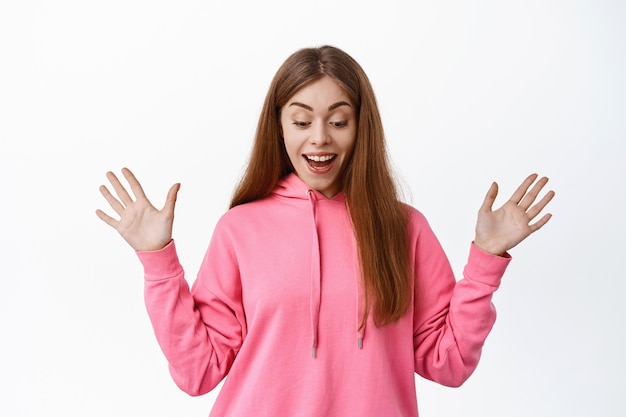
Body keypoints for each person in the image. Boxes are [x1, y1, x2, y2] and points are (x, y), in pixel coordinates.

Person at [96, 45, 554, 417]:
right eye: (301, 121)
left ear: (361, 128)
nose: (319, 138)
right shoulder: (240, 230)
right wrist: (158, 262)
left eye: (338, 121)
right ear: (278, 128)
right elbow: (198, 372)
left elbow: (448, 363)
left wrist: (485, 262)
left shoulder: (403, 228)